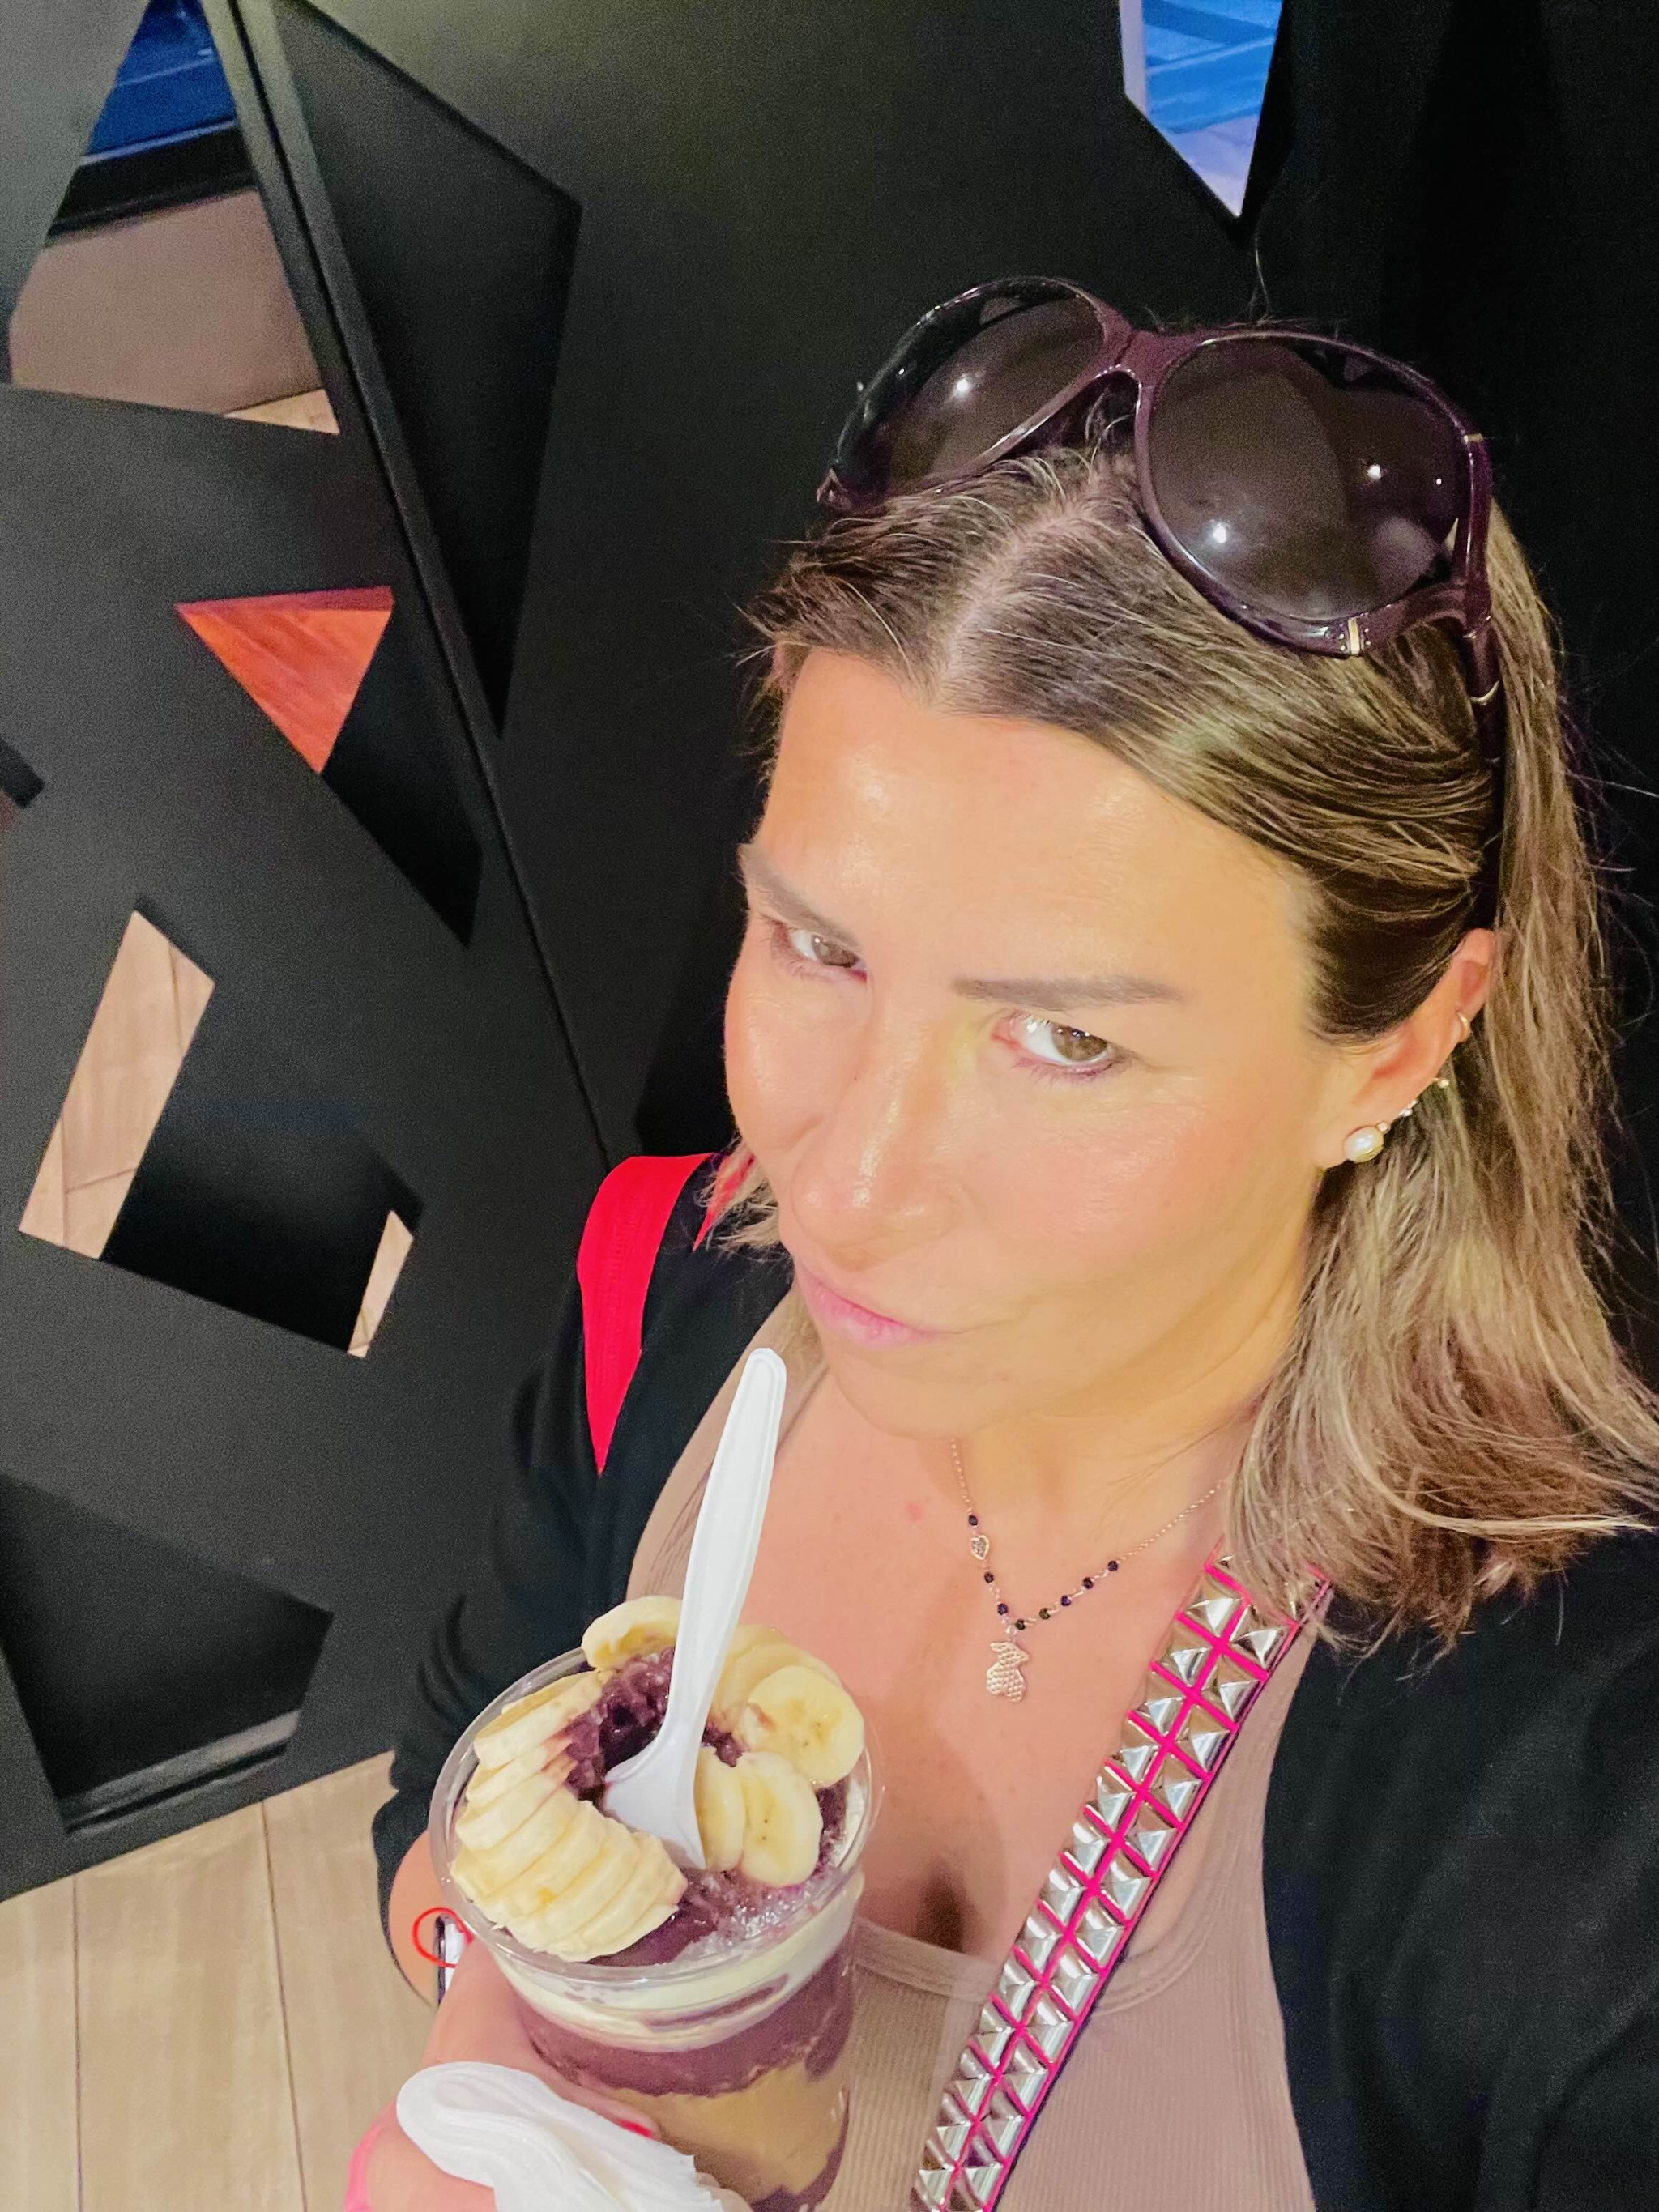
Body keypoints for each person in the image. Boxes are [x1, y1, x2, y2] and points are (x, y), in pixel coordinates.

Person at [360, 281, 1659, 2210]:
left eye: (1065, 1037)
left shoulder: (1580, 1837)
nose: (848, 1185)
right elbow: (448, 1770)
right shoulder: (679, 1290)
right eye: (818, 945)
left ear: (1395, 1047)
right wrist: (502, 2014)